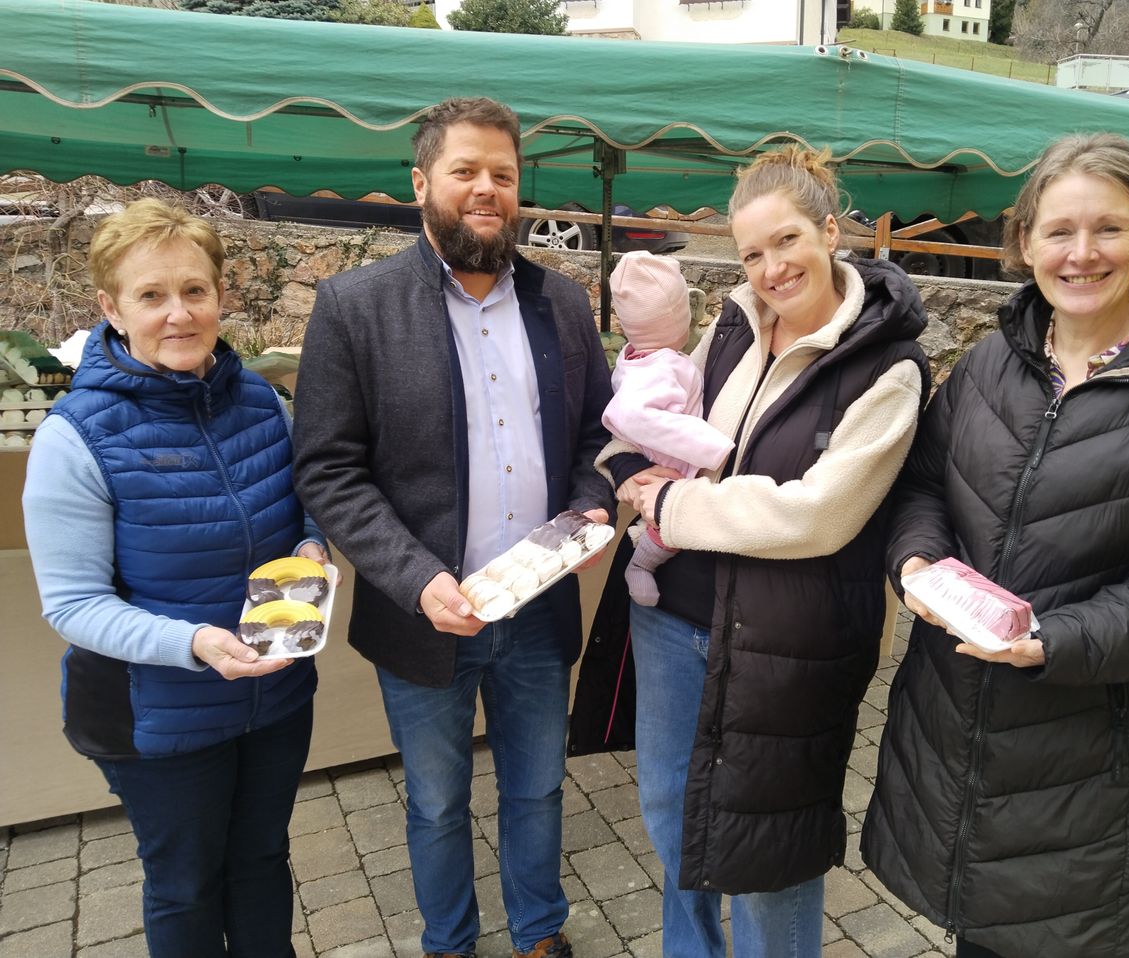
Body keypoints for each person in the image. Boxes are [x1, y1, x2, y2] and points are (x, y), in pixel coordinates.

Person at [861, 132, 1129, 958]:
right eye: (1058, 231)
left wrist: (1058, 640)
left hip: (1103, 775)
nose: (1081, 254)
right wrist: (914, 559)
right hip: (961, 746)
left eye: (1108, 229)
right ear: (1024, 244)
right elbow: (924, 486)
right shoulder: (990, 365)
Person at [290, 96, 614, 958]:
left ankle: (539, 931)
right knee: (435, 799)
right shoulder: (354, 307)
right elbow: (327, 468)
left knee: (538, 789)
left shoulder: (563, 305)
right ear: (421, 181)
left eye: (502, 176)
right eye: (466, 170)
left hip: (537, 612)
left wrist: (590, 505)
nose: (486, 190)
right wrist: (414, 577)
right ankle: (450, 943)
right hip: (423, 614)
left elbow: (598, 437)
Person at [594, 145, 929, 958]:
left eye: (787, 242)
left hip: (791, 641)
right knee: (672, 811)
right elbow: (676, 412)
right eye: (751, 253)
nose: (771, 268)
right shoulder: (735, 320)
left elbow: (816, 515)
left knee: (773, 847)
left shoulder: (889, 366)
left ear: (829, 230)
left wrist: (672, 501)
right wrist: (634, 464)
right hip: (676, 619)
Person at [22, 198, 328, 958]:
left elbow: (302, 509)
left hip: (276, 694)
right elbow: (72, 604)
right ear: (111, 309)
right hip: (158, 717)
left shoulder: (260, 399)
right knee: (186, 886)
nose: (179, 314)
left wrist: (315, 547)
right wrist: (194, 642)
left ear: (222, 296)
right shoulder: (76, 437)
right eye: (151, 295)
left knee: (262, 863)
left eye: (194, 290)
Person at [601, 250, 734, 606]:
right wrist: (711, 446)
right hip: (671, 463)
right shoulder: (665, 367)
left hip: (656, 458)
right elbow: (630, 413)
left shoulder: (635, 356)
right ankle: (640, 566)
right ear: (679, 318)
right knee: (670, 524)